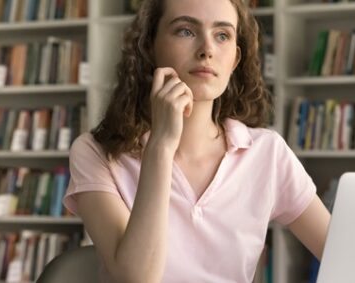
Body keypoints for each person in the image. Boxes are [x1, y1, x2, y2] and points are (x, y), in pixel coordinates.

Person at [62, 0, 330, 281]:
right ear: (150, 46)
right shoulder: (95, 152)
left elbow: (342, 253)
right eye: (186, 31)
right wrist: (161, 148)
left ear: (235, 60)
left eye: (222, 35)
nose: (207, 50)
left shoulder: (267, 152)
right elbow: (136, 279)